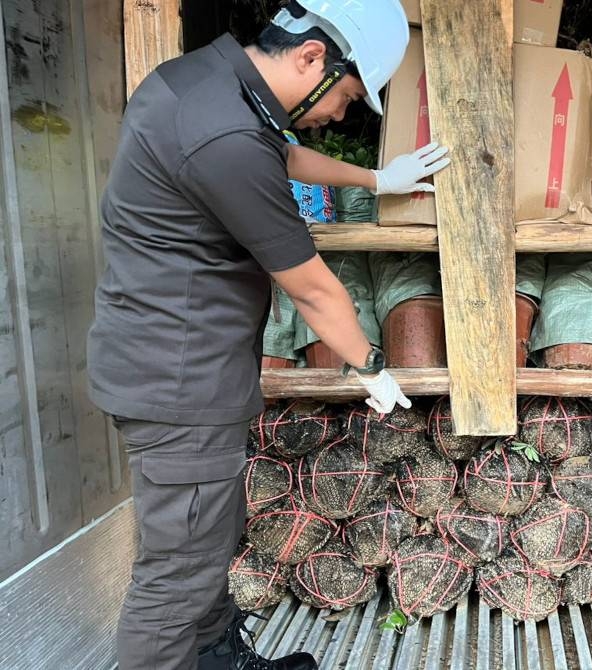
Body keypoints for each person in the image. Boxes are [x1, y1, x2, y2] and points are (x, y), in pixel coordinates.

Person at [86, 1, 448, 668]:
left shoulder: (204, 85)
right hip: (178, 384)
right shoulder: (224, 135)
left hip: (180, 369)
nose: (341, 115)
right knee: (176, 580)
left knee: (208, 540)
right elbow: (310, 285)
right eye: (344, 96)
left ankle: (220, 659)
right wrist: (371, 366)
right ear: (311, 56)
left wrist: (377, 177)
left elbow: (282, 156)